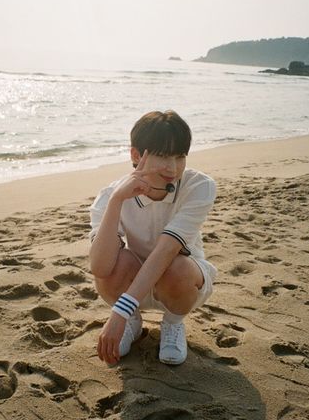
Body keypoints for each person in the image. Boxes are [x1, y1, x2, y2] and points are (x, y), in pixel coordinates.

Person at [89, 110, 217, 365]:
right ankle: (134, 322)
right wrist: (116, 201)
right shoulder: (110, 195)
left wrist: (118, 311)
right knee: (114, 264)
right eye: (163, 155)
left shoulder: (198, 186)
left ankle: (173, 324)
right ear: (136, 155)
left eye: (180, 156)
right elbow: (99, 267)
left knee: (175, 266)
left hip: (182, 283)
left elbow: (165, 252)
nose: (173, 168)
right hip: (134, 279)